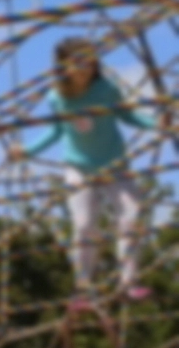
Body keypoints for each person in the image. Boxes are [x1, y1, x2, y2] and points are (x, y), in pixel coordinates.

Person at [15, 38, 154, 310]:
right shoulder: (57, 97)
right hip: (79, 168)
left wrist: (156, 123)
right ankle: (83, 288)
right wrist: (27, 150)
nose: (84, 68)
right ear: (64, 67)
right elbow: (56, 132)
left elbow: (128, 116)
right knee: (84, 226)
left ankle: (128, 281)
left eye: (89, 61)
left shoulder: (106, 90)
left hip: (114, 165)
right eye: (77, 62)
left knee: (133, 213)